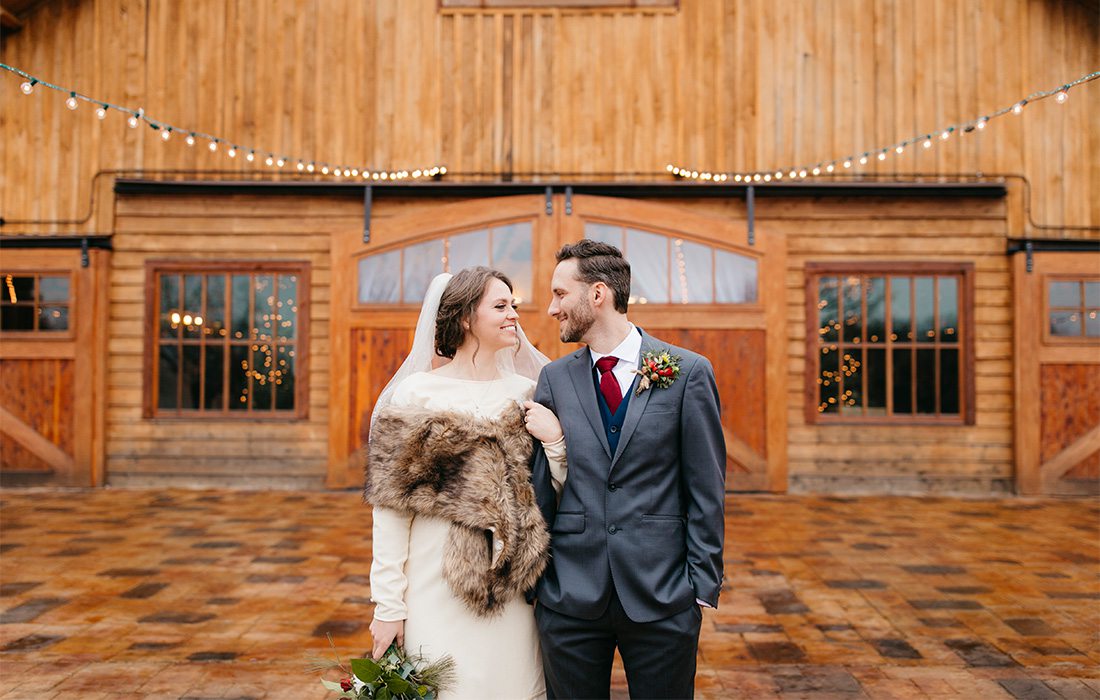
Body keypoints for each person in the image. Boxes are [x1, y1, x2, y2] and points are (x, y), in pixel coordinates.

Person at [523, 239, 726, 700]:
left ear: (598, 295)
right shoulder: (555, 379)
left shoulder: (688, 372)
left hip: (663, 594)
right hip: (569, 597)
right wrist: (538, 583)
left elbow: (707, 486)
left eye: (560, 294)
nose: (552, 308)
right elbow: (540, 490)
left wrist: (700, 585)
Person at [365, 267, 567, 700]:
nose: (514, 314)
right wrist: (388, 607)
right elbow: (390, 511)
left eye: (513, 304)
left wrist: (556, 443)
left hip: (510, 586)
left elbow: (556, 492)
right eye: (500, 306)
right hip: (433, 585)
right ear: (463, 318)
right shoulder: (417, 394)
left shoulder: (528, 392)